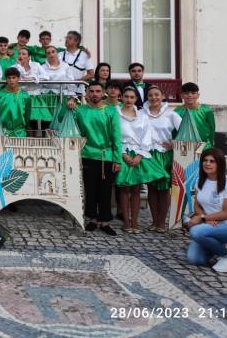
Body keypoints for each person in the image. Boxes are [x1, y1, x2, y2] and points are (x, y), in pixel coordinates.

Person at [72, 81, 122, 235]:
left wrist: (117, 158)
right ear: (87, 93)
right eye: (91, 91)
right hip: (87, 154)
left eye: (98, 91)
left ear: (103, 93)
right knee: (91, 189)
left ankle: (105, 221)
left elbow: (116, 136)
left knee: (106, 190)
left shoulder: (111, 111)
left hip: (106, 155)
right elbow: (63, 118)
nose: (95, 94)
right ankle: (92, 219)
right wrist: (69, 103)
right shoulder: (80, 111)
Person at [114, 86, 166, 233]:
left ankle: (135, 222)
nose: (129, 100)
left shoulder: (142, 116)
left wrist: (140, 154)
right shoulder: (115, 114)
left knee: (136, 190)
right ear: (121, 98)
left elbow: (147, 135)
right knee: (124, 189)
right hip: (122, 153)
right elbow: (114, 135)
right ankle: (126, 222)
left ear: (136, 99)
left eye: (132, 97)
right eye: (126, 97)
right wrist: (122, 154)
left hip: (138, 153)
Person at [185, 148, 227, 272]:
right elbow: (197, 206)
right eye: (205, 160)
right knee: (195, 258)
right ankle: (219, 246)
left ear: (220, 164)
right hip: (210, 226)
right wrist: (206, 219)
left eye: (212, 161)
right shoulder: (200, 181)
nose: (207, 164)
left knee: (196, 232)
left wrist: (204, 218)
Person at [144, 85, 182, 232]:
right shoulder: (142, 113)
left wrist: (174, 144)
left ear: (162, 96)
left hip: (164, 155)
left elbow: (186, 132)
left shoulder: (171, 114)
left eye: (156, 95)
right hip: (148, 154)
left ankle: (161, 223)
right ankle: (154, 221)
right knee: (151, 188)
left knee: (164, 188)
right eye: (150, 95)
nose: (153, 98)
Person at [14, 48, 48, 130]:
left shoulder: (36, 65)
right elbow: (15, 78)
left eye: (24, 54)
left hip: (34, 96)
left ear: (29, 56)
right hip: (20, 96)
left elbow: (46, 77)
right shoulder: (15, 67)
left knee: (36, 120)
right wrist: (18, 66)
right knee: (22, 119)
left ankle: (36, 140)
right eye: (19, 53)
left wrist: (34, 78)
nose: (20, 56)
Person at [176, 82, 216, 150]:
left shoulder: (206, 110)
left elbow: (212, 129)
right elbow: (174, 132)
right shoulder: (177, 112)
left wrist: (211, 146)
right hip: (184, 148)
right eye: (186, 93)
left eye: (193, 93)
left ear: (198, 95)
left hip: (204, 147)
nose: (190, 95)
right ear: (181, 95)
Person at [40, 45, 74, 123]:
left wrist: (71, 98)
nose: (51, 54)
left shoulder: (65, 66)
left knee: (61, 120)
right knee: (47, 121)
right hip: (47, 97)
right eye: (48, 53)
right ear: (46, 55)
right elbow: (40, 84)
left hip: (63, 96)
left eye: (53, 52)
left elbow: (71, 83)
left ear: (57, 53)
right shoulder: (42, 67)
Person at [0, 68, 32, 137]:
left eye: (14, 78)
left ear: (18, 78)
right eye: (9, 78)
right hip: (2, 133)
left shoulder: (25, 96)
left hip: (20, 134)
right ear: (6, 79)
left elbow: (27, 116)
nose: (11, 80)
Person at [60, 31, 94, 96]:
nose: (66, 40)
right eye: (66, 38)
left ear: (77, 41)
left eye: (69, 38)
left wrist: (78, 81)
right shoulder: (59, 55)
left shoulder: (84, 55)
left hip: (77, 91)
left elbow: (91, 74)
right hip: (61, 91)